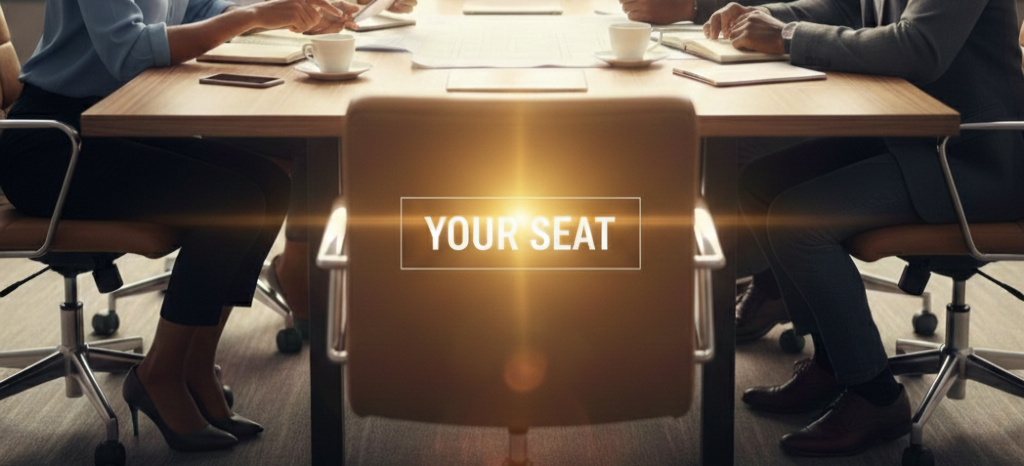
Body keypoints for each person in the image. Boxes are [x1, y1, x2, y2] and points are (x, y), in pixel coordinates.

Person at [0, 0, 362, 453]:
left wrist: (292, 13)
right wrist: (254, 17)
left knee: (269, 184)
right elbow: (129, 51)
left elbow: (199, 8)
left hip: (118, 124)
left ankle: (194, 364)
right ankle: (159, 374)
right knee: (233, 201)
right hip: (54, 147)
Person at [705, 0, 1024, 457]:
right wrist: (760, 15)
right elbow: (845, 7)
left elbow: (920, 47)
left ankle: (877, 396)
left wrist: (788, 36)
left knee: (801, 223)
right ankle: (835, 363)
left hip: (971, 157)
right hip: (910, 135)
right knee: (760, 184)